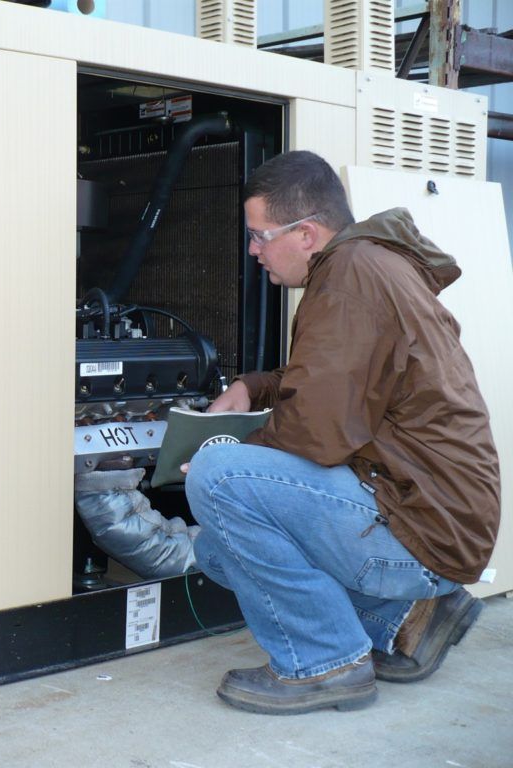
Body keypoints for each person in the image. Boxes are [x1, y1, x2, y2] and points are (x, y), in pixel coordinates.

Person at [183, 150, 501, 715]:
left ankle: (324, 662)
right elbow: (330, 383)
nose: (253, 251)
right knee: (215, 549)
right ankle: (409, 617)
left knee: (218, 479)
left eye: (259, 236)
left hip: (424, 526)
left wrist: (219, 458)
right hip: (431, 515)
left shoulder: (351, 278)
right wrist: (253, 388)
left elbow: (317, 432)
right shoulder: (365, 267)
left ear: (305, 233)